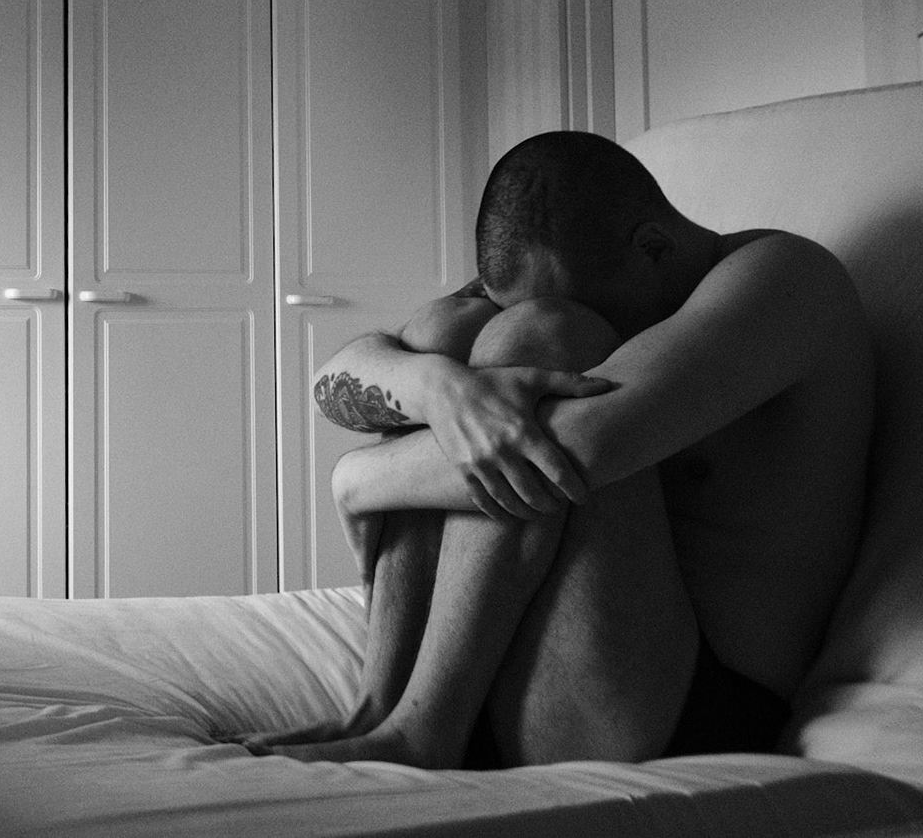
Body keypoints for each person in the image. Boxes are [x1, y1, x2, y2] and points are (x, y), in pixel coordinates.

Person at [236, 130, 873, 768]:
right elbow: (333, 384)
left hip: (688, 706)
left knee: (542, 336)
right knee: (440, 333)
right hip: (528, 679)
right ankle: (384, 707)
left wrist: (357, 478)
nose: (546, 310)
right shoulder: (582, 266)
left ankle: (424, 733)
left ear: (653, 248)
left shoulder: (785, 277)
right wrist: (438, 390)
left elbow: (577, 449)